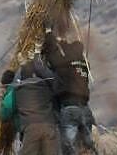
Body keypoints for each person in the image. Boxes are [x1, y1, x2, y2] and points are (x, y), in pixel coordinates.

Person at [41, 26, 98, 155]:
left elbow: (52, 56)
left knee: (68, 146)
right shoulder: (84, 65)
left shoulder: (66, 63)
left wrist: (49, 34)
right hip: (85, 109)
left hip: (70, 108)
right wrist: (62, 42)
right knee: (88, 144)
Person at [13, 58, 60, 155]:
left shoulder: (17, 90)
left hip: (30, 129)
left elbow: (8, 110)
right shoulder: (46, 87)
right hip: (49, 127)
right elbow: (57, 95)